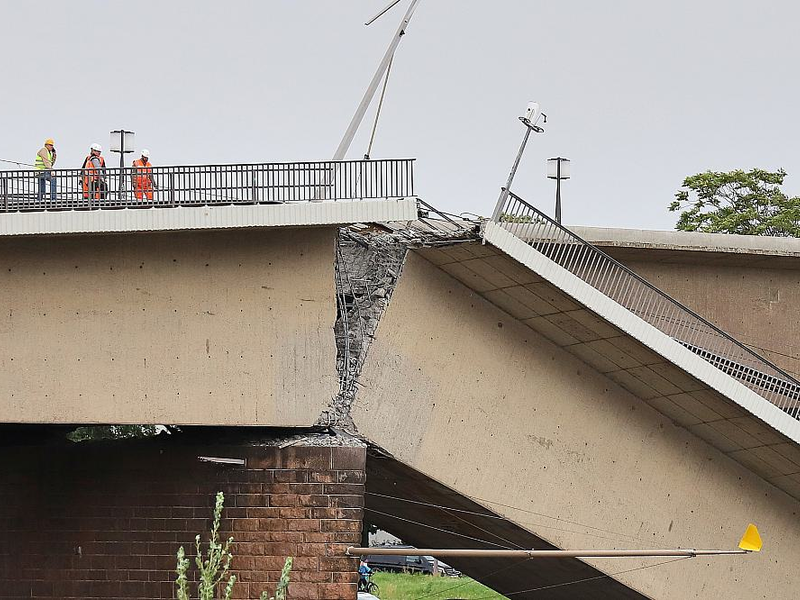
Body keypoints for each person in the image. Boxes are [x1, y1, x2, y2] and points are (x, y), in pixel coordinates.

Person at [35, 138, 57, 204]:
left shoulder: (49, 152)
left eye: (52, 145)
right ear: (46, 145)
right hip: (41, 171)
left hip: (40, 172)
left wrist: (54, 156)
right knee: (53, 179)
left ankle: (39, 198)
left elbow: (51, 163)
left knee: (42, 185)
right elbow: (46, 162)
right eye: (50, 145)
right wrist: (51, 171)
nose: (52, 146)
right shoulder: (44, 150)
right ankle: (53, 198)